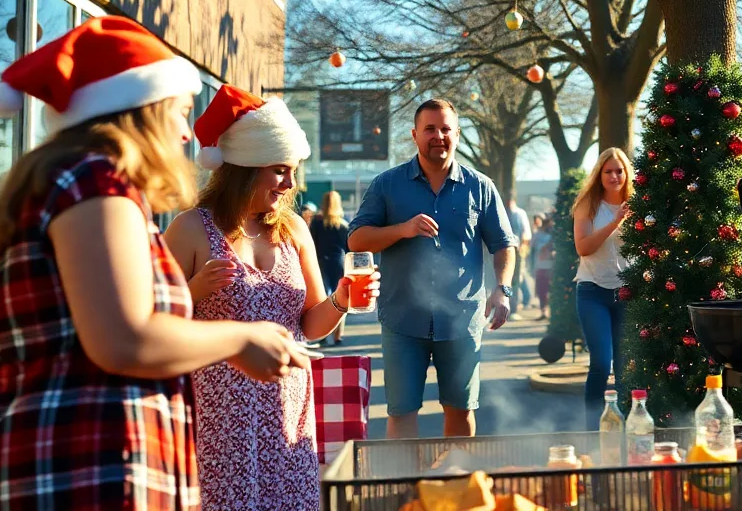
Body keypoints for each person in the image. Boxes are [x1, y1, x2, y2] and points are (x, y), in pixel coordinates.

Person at [0, 17, 307, 510]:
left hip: (51, 467)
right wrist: (242, 337)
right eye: (180, 112)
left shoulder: (57, 185)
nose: (186, 136)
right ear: (141, 110)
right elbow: (125, 338)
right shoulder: (95, 183)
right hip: (89, 472)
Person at [164, 85, 379, 509]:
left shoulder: (294, 229)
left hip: (289, 405)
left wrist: (341, 300)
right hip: (218, 414)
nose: (291, 182)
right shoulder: (190, 228)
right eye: (281, 169)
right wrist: (194, 290)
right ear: (246, 166)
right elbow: (153, 322)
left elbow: (310, 325)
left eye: (293, 169)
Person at [349, 98, 517, 439]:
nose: (438, 135)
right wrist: (403, 229)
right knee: (401, 411)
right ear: (415, 135)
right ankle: (405, 489)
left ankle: (456, 485)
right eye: (430, 129)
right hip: (402, 319)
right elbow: (357, 239)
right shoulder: (387, 184)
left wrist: (502, 288)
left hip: (462, 320)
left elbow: (504, 245)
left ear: (456, 134)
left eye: (445, 129)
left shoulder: (480, 187)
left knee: (460, 409)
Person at [573, 147, 634, 430]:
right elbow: (583, 247)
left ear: (626, 173)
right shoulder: (588, 204)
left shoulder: (637, 203)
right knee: (601, 362)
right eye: (608, 171)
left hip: (627, 293)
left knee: (625, 367)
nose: (614, 176)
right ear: (599, 175)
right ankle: (590, 429)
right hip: (592, 290)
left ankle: (623, 426)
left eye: (619, 171)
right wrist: (615, 221)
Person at [312, 190, 352, 345]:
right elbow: (349, 247)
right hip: (339, 262)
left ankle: (322, 335)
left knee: (323, 299)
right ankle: (338, 335)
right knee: (340, 298)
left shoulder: (316, 222)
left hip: (321, 262)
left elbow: (312, 244)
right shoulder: (344, 224)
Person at [507, 197, 532, 319]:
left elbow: (526, 234)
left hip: (517, 250)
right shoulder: (503, 212)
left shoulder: (520, 213)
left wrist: (522, 250)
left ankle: (514, 308)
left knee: (517, 279)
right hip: (504, 250)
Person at [532, 214, 554, 320]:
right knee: (541, 291)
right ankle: (543, 311)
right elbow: (535, 248)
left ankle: (549, 312)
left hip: (550, 266)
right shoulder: (537, 234)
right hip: (540, 266)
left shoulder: (553, 235)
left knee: (550, 290)